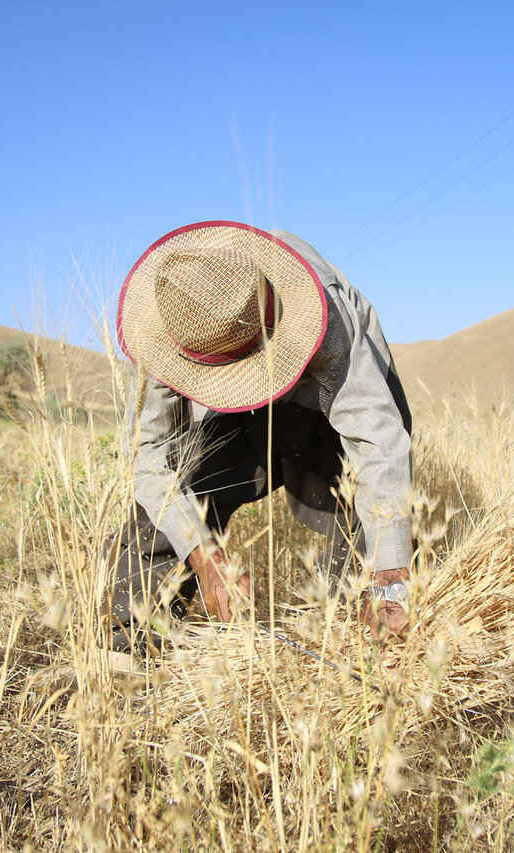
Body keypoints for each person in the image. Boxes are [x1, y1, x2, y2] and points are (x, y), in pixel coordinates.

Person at [111, 220, 413, 653]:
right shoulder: (171, 324)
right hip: (223, 419)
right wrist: (204, 554)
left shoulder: (324, 319)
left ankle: (358, 641)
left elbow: (377, 442)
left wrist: (390, 582)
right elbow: (148, 457)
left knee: (367, 516)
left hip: (327, 405)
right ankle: (129, 641)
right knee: (166, 501)